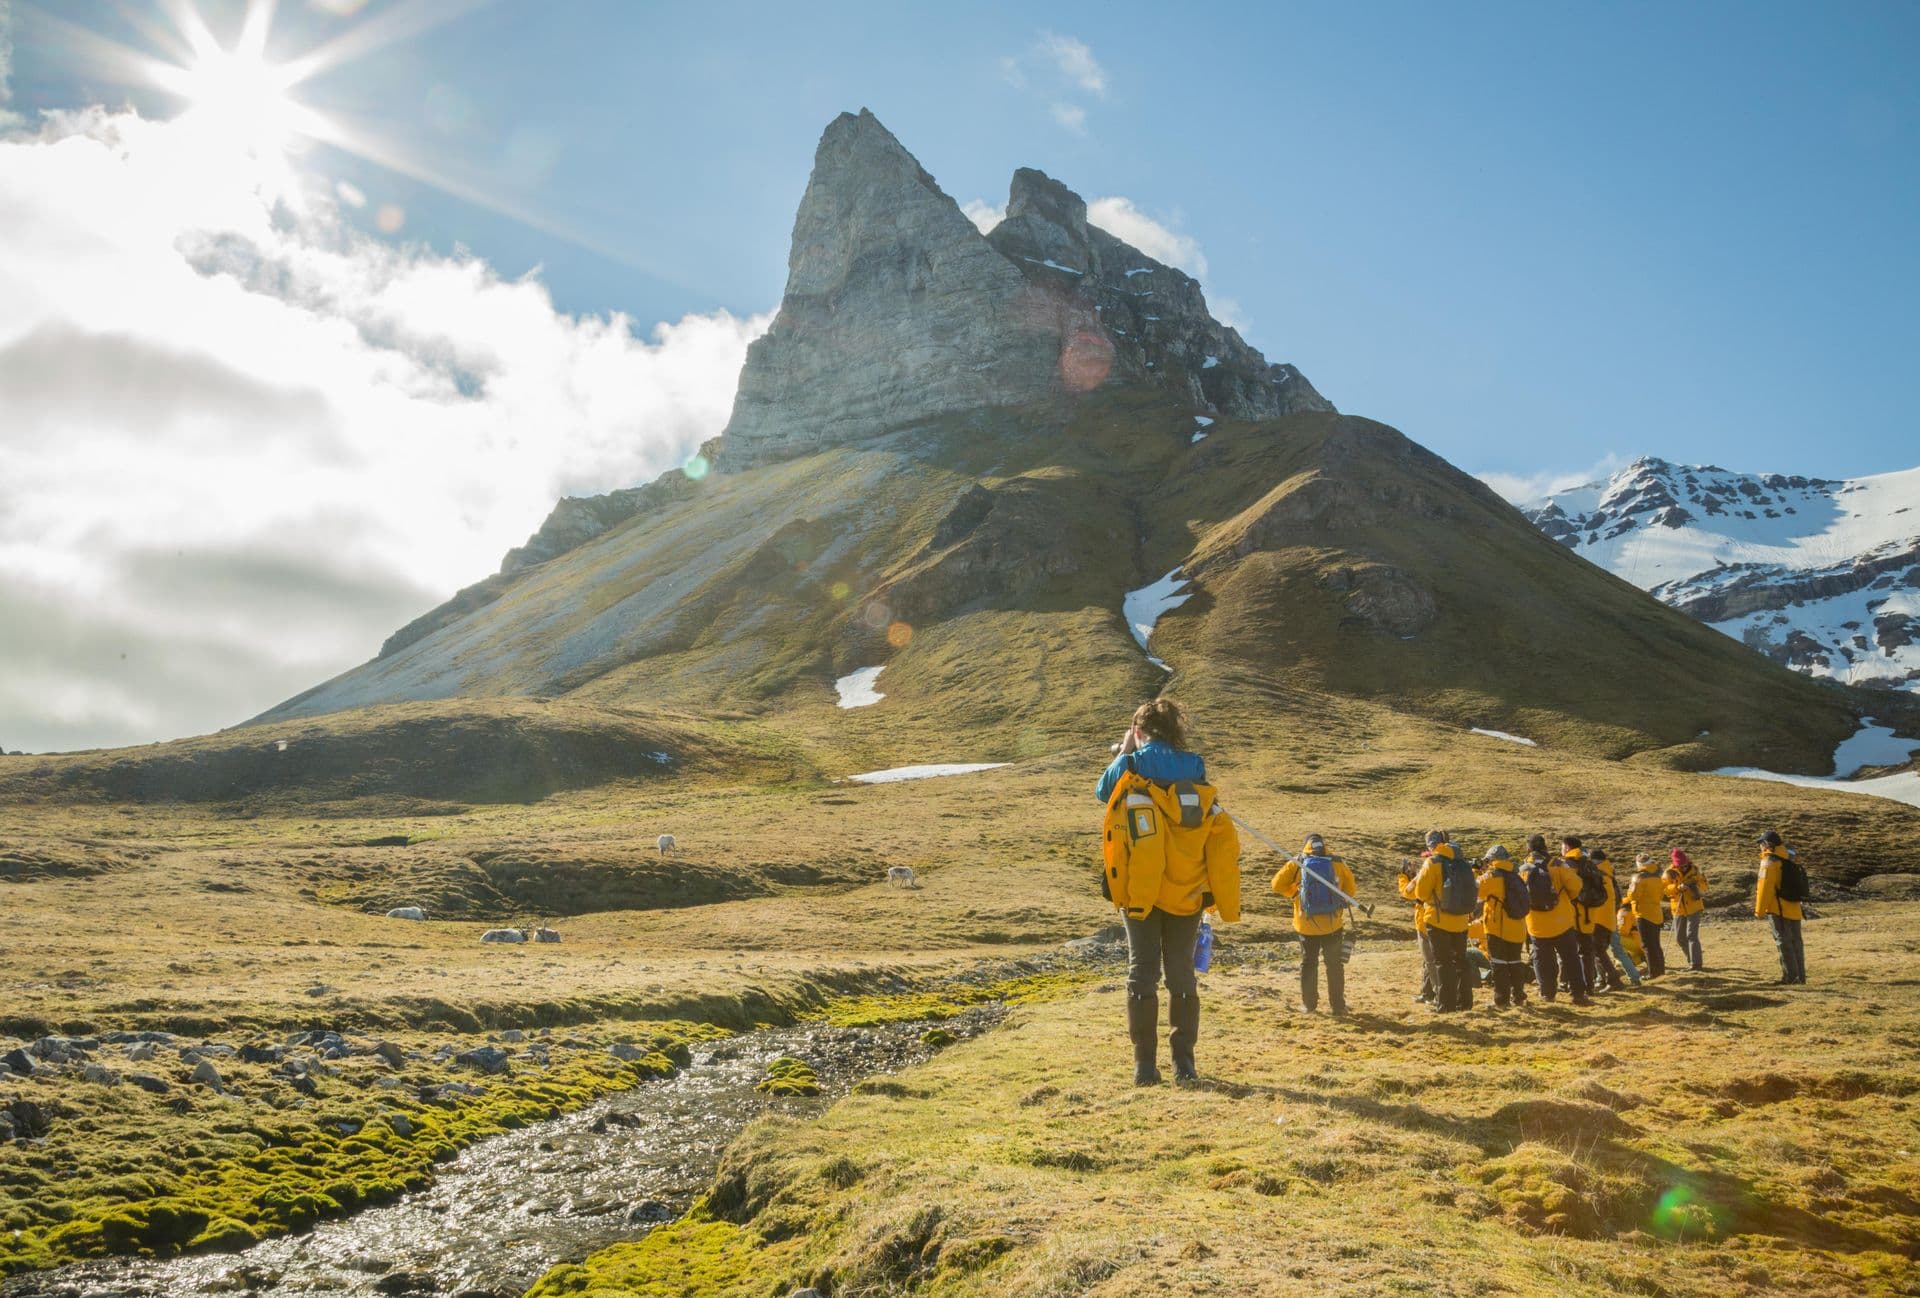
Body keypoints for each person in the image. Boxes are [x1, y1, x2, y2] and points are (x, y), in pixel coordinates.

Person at [1098, 699, 1241, 1084]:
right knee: (1181, 975)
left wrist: (1127, 750)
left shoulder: (1131, 764)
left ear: (1140, 730)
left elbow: (1102, 791)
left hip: (1140, 889)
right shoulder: (1195, 766)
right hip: (1188, 888)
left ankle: (1145, 1068)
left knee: (1141, 973)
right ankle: (1185, 1066)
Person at [1271, 834, 1357, 1016]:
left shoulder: (1299, 862)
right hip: (1333, 924)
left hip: (1306, 924)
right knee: (1334, 965)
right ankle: (1338, 1007)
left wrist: (1295, 894)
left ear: (1306, 846)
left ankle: (1309, 1005)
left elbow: (1276, 885)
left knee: (1309, 964)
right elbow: (1351, 891)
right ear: (1325, 846)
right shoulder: (1337, 862)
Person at [1518, 834, 1592, 1006]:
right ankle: (1578, 994)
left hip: (1536, 923)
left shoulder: (1523, 868)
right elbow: (1576, 886)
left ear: (1528, 848)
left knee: (1542, 959)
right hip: (1561, 920)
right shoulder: (1558, 864)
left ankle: (1547, 993)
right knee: (1570, 958)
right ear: (1545, 847)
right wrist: (1565, 898)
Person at [1412, 830, 1476, 1011]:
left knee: (1443, 963)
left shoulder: (1432, 862)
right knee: (1461, 962)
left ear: (1431, 845)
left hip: (1438, 920)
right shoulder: (1462, 862)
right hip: (1461, 920)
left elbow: (1420, 893)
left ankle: (1446, 1005)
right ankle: (1465, 1002)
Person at [1476, 845, 1531, 1009]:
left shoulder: (1491, 876)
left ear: (1492, 860)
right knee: (1515, 963)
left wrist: (1476, 872)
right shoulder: (1516, 876)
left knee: (1499, 965)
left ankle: (1501, 1000)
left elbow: (1476, 891)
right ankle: (1519, 997)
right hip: (1517, 928)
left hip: (1497, 928)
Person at [1755, 830, 1806, 985]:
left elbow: (1765, 887)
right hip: (1795, 908)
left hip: (1778, 909)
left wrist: (1759, 910)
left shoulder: (1769, 861)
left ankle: (1790, 977)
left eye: (1761, 843)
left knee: (1783, 942)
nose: (1760, 847)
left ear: (1768, 844)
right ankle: (1800, 977)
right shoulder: (1789, 858)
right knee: (1796, 942)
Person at [1580, 847, 1629, 993]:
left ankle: (1613, 979)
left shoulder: (1597, 875)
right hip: (1608, 917)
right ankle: (1604, 979)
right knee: (1598, 950)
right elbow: (1618, 899)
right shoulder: (1608, 873)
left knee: (1597, 950)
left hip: (1598, 918)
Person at [1398, 853, 1437, 1004]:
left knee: (1431, 960)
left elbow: (1407, 892)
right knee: (1428, 959)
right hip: (1440, 919)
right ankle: (1427, 993)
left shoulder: (1426, 872)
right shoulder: (1445, 869)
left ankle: (1437, 995)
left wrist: (1403, 877)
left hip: (1426, 920)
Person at [1665, 848, 1708, 971]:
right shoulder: (1668, 872)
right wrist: (1677, 887)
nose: (1682, 867)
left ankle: (1696, 964)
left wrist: (1694, 887)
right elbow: (1665, 889)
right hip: (1678, 908)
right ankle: (1691, 960)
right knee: (1680, 938)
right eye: (1680, 865)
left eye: (1684, 864)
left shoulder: (1696, 870)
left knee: (1691, 935)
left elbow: (1705, 886)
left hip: (1694, 906)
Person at [1628, 854, 1668, 979]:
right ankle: (1660, 970)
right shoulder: (1658, 876)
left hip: (1643, 913)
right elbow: (1662, 894)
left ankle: (1653, 973)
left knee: (1646, 945)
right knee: (1655, 943)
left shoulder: (1639, 877)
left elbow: (1633, 896)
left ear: (1639, 864)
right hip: (1656, 912)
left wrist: (1629, 890)